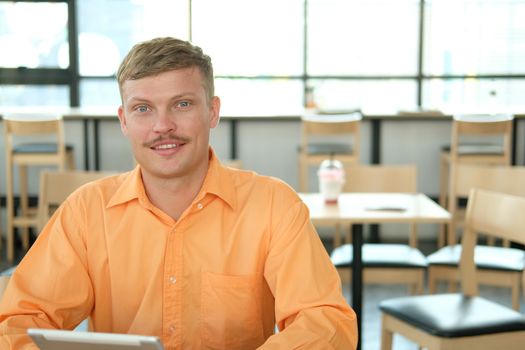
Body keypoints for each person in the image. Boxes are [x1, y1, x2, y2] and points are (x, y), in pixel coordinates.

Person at [0, 37, 357, 349]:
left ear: (212, 111)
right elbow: (19, 322)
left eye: (182, 104)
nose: (162, 126)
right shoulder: (86, 211)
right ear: (124, 120)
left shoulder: (274, 206)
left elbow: (325, 322)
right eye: (143, 109)